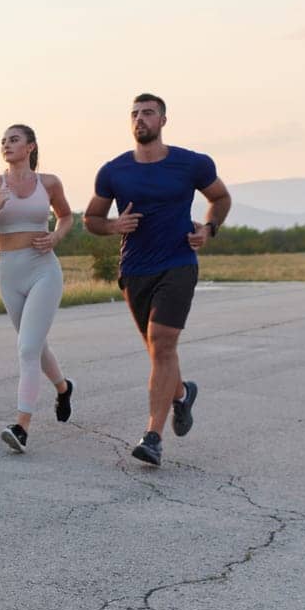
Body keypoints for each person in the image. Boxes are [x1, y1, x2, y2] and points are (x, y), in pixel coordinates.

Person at [83, 93, 232, 466]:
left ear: (163, 120)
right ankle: (180, 393)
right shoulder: (114, 170)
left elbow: (221, 197)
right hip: (135, 269)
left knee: (163, 343)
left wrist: (209, 228)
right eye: (134, 114)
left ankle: (152, 436)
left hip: (179, 262)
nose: (140, 119)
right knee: (156, 350)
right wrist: (113, 225)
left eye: (148, 113)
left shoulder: (191, 163)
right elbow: (92, 218)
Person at [0, 124, 75, 452]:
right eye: (3, 141)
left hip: (43, 270)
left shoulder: (50, 183)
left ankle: (21, 426)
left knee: (27, 348)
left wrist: (55, 236)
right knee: (35, 345)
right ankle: (63, 387)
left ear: (30, 147)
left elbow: (67, 217)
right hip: (9, 272)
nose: (6, 145)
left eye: (14, 139)